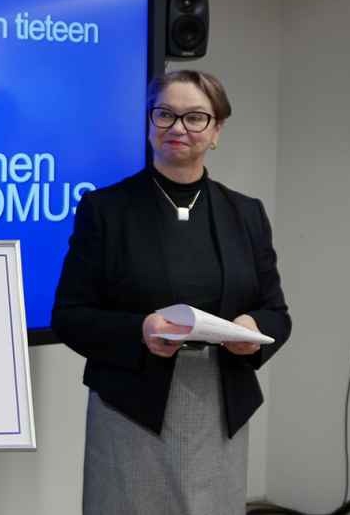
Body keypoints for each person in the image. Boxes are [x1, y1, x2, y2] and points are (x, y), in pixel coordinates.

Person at [52, 69, 292, 515]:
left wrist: (253, 328)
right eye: (165, 114)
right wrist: (139, 330)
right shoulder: (105, 210)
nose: (178, 127)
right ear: (148, 124)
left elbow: (277, 312)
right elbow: (70, 315)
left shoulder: (246, 214)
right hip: (131, 407)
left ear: (217, 130)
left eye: (195, 117)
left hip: (220, 405)